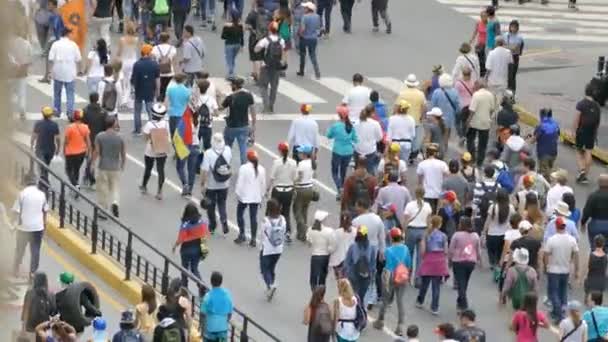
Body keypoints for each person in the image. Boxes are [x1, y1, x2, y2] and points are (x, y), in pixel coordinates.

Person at [374, 227, 411, 336]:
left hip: (389, 275)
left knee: (385, 299)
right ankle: (400, 326)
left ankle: (380, 320)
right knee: (400, 301)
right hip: (402, 275)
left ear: (391, 238)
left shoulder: (388, 250)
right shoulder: (405, 248)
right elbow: (408, 264)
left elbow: (384, 263)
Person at [543, 216, 580, 323]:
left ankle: (558, 313)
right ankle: (561, 310)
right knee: (563, 291)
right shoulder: (572, 239)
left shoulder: (552, 240)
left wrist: (546, 266)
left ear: (556, 226)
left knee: (553, 293)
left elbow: (546, 254)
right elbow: (576, 254)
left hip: (553, 270)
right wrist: (576, 269)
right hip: (566, 269)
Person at [92, 116, 126, 219]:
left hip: (103, 166)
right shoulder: (120, 137)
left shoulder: (100, 136)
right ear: (114, 124)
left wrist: (92, 163)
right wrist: (122, 165)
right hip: (115, 167)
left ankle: (103, 210)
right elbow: (123, 153)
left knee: (103, 189)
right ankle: (115, 202)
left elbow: (97, 151)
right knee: (115, 187)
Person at [416, 215, 449, 315]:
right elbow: (446, 251)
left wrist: (424, 258)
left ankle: (420, 301)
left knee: (424, 284)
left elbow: (422, 250)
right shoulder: (443, 236)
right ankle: (434, 307)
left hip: (429, 259)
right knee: (436, 287)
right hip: (439, 261)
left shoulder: (426, 235)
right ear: (439, 224)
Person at [201, 133, 232, 235]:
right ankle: (224, 220)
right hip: (224, 183)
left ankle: (212, 225)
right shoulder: (227, 150)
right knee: (222, 203)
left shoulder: (208, 153)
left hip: (211, 184)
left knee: (211, 206)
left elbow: (205, 170)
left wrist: (203, 184)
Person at [234, 149, 266, 246]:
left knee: (240, 214)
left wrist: (237, 193)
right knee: (253, 217)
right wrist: (262, 195)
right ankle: (253, 238)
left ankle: (242, 234)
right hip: (256, 196)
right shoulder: (261, 169)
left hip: (244, 195)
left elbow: (240, 182)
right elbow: (263, 184)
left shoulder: (244, 168)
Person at [448, 217, 481, 311]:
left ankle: (464, 304)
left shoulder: (457, 235)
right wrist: (478, 259)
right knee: (465, 282)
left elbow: (451, 249)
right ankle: (460, 301)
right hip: (471, 261)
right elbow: (478, 249)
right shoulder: (475, 235)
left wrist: (449, 260)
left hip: (458, 261)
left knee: (460, 282)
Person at [221, 77, 256, 164]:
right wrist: (253, 125)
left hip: (231, 126)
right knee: (243, 147)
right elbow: (253, 111)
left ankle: (225, 164)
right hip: (244, 125)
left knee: (227, 147)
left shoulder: (230, 97)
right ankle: (244, 165)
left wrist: (218, 98)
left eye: (231, 85)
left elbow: (220, 108)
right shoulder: (248, 95)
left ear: (235, 85)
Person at [172, 203, 208, 287]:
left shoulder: (185, 224)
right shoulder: (202, 223)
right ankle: (201, 285)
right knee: (194, 269)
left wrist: (175, 246)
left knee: (184, 269)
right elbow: (204, 236)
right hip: (198, 249)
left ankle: (184, 286)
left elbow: (181, 239)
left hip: (186, 249)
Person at [267, 142, 297, 242]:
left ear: (280, 151)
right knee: (286, 212)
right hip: (289, 190)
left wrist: (268, 189)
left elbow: (272, 177)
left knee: (273, 211)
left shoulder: (277, 162)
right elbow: (295, 178)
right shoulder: (293, 162)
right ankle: (288, 232)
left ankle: (271, 229)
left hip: (278, 190)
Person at [48, 28, 81, 118]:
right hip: (70, 72)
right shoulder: (73, 45)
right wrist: (79, 70)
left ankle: (57, 110)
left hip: (58, 71)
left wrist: (49, 72)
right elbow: (78, 59)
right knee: (70, 93)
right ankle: (70, 112)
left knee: (57, 93)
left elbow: (50, 59)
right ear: (68, 34)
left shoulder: (55, 44)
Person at [327, 105, 358, 199]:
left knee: (335, 172)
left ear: (339, 115)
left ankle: (340, 188)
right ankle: (342, 190)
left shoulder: (336, 126)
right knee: (343, 172)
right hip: (348, 152)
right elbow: (355, 139)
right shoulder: (350, 126)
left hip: (337, 151)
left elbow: (329, 136)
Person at [483, 188, 515, 279]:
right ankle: (499, 269)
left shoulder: (493, 207)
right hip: (505, 234)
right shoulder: (510, 207)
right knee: (502, 254)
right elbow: (514, 219)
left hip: (492, 234)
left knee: (492, 253)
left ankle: (495, 266)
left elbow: (488, 221)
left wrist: (483, 233)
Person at [254, 21, 286, 113]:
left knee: (263, 86)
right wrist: (283, 62)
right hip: (276, 66)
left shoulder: (265, 40)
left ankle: (266, 105)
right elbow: (283, 53)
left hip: (266, 65)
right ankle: (271, 106)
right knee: (274, 87)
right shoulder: (281, 40)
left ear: (269, 29)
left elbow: (256, 49)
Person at [140, 103, 169, 199]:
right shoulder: (165, 123)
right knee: (161, 170)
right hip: (162, 149)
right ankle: (160, 191)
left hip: (150, 150)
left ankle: (144, 186)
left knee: (148, 168)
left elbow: (145, 138)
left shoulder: (149, 124)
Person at [394, 74, 426, 162]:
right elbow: (424, 108)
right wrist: (422, 117)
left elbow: (396, 107)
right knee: (414, 138)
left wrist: (394, 116)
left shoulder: (402, 94)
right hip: (416, 120)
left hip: (403, 120)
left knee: (405, 137)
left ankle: (405, 154)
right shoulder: (421, 94)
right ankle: (412, 154)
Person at [403, 187, 433, 278]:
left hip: (411, 230)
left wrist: (404, 231)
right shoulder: (427, 205)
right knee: (421, 256)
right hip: (423, 231)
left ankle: (407, 275)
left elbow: (406, 220)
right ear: (424, 194)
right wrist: (428, 233)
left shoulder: (409, 205)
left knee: (409, 254)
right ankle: (418, 278)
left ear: (415, 194)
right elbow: (428, 221)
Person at [574, 83, 601, 184]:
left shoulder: (581, 104)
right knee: (588, 152)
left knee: (578, 150)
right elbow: (598, 122)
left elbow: (577, 119)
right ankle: (585, 175)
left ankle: (582, 170)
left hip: (581, 131)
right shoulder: (597, 106)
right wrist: (595, 134)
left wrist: (574, 130)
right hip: (591, 132)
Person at [260, 198, 286, 301]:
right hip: (278, 248)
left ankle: (270, 285)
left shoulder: (265, 220)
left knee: (264, 269)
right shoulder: (282, 219)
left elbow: (262, 234)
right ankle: (271, 284)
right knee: (272, 268)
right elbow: (283, 232)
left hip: (267, 248)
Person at [131, 44, 161, 134]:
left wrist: (133, 90)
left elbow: (133, 80)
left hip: (139, 90)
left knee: (137, 111)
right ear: (148, 53)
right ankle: (152, 128)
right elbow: (157, 80)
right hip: (150, 90)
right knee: (150, 110)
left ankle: (137, 129)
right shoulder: (155, 64)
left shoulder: (137, 64)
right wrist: (157, 91)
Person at [344, 226, 378, 302]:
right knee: (356, 297)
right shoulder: (354, 247)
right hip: (356, 277)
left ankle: (358, 310)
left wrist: (372, 276)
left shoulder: (369, 248)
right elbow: (347, 262)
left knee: (359, 297)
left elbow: (347, 262)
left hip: (362, 277)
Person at [467, 80, 497, 167]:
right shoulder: (490, 95)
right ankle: (480, 162)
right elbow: (492, 109)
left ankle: (472, 157)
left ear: (478, 86)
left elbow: (472, 110)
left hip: (475, 122)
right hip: (485, 123)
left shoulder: (476, 95)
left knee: (470, 140)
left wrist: (468, 121)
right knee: (482, 144)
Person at [307, 210, 336, 290]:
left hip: (314, 256)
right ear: (324, 220)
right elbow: (332, 246)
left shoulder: (310, 229)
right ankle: (320, 296)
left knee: (313, 277)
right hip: (324, 257)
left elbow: (309, 243)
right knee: (322, 279)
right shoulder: (329, 231)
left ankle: (314, 294)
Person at [31, 106, 60, 185]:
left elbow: (33, 136)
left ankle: (43, 182)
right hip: (50, 149)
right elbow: (57, 139)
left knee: (42, 167)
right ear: (51, 115)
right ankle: (45, 182)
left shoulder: (38, 123)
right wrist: (58, 149)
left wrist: (31, 145)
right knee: (46, 165)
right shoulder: (54, 125)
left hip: (40, 149)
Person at [200, 271, 233, 342]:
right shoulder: (227, 295)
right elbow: (230, 314)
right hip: (223, 329)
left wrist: (202, 329)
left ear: (211, 282)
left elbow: (202, 314)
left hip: (210, 329)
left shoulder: (208, 296)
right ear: (221, 282)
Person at [63, 109, 91, 191]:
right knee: (76, 169)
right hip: (82, 152)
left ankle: (75, 184)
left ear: (74, 118)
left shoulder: (70, 128)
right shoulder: (85, 127)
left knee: (68, 170)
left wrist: (63, 149)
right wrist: (88, 152)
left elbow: (66, 141)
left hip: (70, 152)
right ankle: (76, 184)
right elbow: (88, 141)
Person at [293, 145, 316, 241]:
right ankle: (301, 234)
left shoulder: (302, 164)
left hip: (301, 189)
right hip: (310, 188)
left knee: (297, 212)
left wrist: (293, 182)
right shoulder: (312, 163)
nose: (298, 154)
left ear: (304, 154)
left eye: (300, 152)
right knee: (304, 211)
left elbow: (299, 177)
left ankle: (305, 229)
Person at [417, 143, 449, 212]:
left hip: (426, 193)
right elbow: (447, 175)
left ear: (427, 153)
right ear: (436, 153)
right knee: (436, 213)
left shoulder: (422, 164)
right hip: (439, 193)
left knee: (427, 212)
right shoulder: (442, 164)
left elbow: (419, 181)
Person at [8, 27, 32, 120]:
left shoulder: (9, 44)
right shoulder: (27, 44)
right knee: (22, 94)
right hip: (22, 72)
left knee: (9, 93)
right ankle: (22, 112)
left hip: (10, 73)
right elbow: (30, 58)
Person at [530, 108, 560, 181]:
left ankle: (546, 189)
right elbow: (557, 135)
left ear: (541, 115)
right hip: (554, 152)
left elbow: (533, 140)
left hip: (544, 153)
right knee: (548, 170)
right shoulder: (556, 124)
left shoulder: (541, 126)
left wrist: (531, 139)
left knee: (543, 175)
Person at [431, 74, 460, 147]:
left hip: (438, 118)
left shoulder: (436, 92)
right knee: (446, 136)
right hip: (449, 119)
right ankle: (444, 150)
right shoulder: (455, 92)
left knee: (436, 136)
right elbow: (457, 107)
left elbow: (433, 106)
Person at [354, 104, 383, 175]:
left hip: (358, 150)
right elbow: (380, 138)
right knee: (370, 169)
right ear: (372, 113)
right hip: (370, 151)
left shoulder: (356, 122)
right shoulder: (375, 124)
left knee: (357, 167)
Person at [297, 2, 322, 80]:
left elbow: (303, 28)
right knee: (313, 55)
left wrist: (300, 34)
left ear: (308, 9)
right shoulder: (317, 16)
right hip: (313, 38)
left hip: (304, 38)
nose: (304, 9)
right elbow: (319, 27)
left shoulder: (304, 17)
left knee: (302, 55)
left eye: (305, 8)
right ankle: (317, 72)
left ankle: (301, 70)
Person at [583, 174, 608, 249]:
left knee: (595, 246)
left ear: (598, 183)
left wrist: (583, 222)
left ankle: (595, 257)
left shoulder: (593, 196)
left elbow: (587, 211)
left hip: (596, 224)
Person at [329, 212, 357, 279]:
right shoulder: (355, 231)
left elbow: (332, 247)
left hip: (338, 260)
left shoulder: (336, 232)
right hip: (351, 259)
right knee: (348, 281)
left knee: (340, 281)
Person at [151, 32, 177, 102]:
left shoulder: (155, 48)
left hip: (158, 72)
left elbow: (153, 60)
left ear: (159, 39)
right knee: (167, 88)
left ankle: (159, 100)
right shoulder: (172, 48)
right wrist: (175, 72)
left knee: (159, 87)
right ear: (168, 39)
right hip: (170, 72)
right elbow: (174, 62)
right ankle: (165, 100)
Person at [166, 73, 192, 140]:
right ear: (184, 80)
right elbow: (191, 102)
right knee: (181, 134)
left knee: (173, 133)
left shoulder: (170, 89)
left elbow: (166, 102)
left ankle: (174, 147)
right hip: (183, 114)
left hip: (172, 113)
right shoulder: (187, 91)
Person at [221, 10, 244, 79]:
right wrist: (242, 46)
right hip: (237, 44)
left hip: (229, 44)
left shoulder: (227, 26)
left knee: (229, 60)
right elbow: (241, 36)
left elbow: (223, 37)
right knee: (233, 58)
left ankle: (231, 74)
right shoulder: (240, 26)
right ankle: (232, 72)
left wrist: (224, 28)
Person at [503, 20, 524, 94]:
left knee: (512, 77)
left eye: (515, 27)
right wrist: (510, 47)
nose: (513, 28)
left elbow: (517, 48)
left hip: (514, 57)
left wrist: (510, 47)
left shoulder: (519, 37)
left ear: (517, 28)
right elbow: (504, 46)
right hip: (507, 57)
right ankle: (507, 93)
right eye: (512, 27)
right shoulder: (506, 35)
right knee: (507, 77)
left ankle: (512, 94)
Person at [469, 10, 487, 76]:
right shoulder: (478, 23)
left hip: (487, 44)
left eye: (485, 16)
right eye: (482, 16)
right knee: (480, 58)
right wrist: (471, 40)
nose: (484, 18)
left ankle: (485, 70)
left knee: (485, 58)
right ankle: (482, 71)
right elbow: (475, 32)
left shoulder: (489, 24)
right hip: (480, 43)